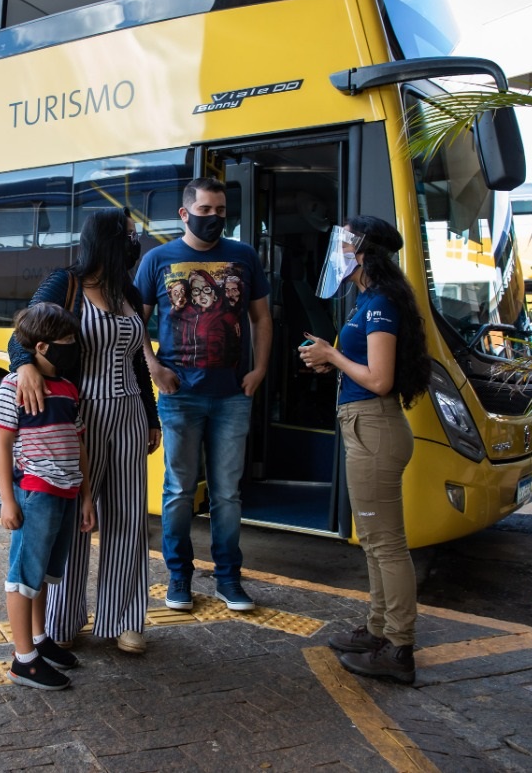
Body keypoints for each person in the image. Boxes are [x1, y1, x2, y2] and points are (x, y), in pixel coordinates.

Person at [8, 208, 160, 655]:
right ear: (108, 241)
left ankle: (125, 619)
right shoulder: (65, 283)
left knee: (129, 519)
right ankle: (63, 618)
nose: (135, 243)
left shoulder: (128, 292)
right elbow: (22, 335)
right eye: (130, 236)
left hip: (130, 412)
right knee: (73, 519)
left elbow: (138, 358)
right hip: (79, 413)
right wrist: (25, 369)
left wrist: (150, 417)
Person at [298, 215, 432, 684]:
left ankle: (399, 648)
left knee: (386, 544)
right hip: (366, 427)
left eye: (346, 243)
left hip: (374, 428)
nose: (338, 251)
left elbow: (379, 380)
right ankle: (378, 630)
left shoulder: (378, 305)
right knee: (375, 542)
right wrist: (329, 358)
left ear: (364, 252)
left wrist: (333, 356)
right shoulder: (370, 301)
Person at [135, 177, 272, 613]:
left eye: (220, 210)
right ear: (185, 213)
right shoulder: (158, 260)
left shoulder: (244, 257)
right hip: (179, 397)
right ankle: (179, 577)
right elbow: (135, 322)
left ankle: (229, 578)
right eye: (206, 210)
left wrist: (260, 370)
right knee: (178, 490)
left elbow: (262, 319)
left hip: (232, 395)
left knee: (227, 494)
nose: (214, 217)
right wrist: (153, 367)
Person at [0, 302, 96, 690]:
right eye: (66, 341)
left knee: (43, 575)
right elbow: (2, 444)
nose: (73, 347)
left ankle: (38, 640)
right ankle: (23, 661)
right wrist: (7, 500)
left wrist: (85, 497)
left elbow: (79, 443)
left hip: (67, 493)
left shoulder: (69, 389)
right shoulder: (14, 387)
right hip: (36, 493)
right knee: (23, 577)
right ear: (41, 348)